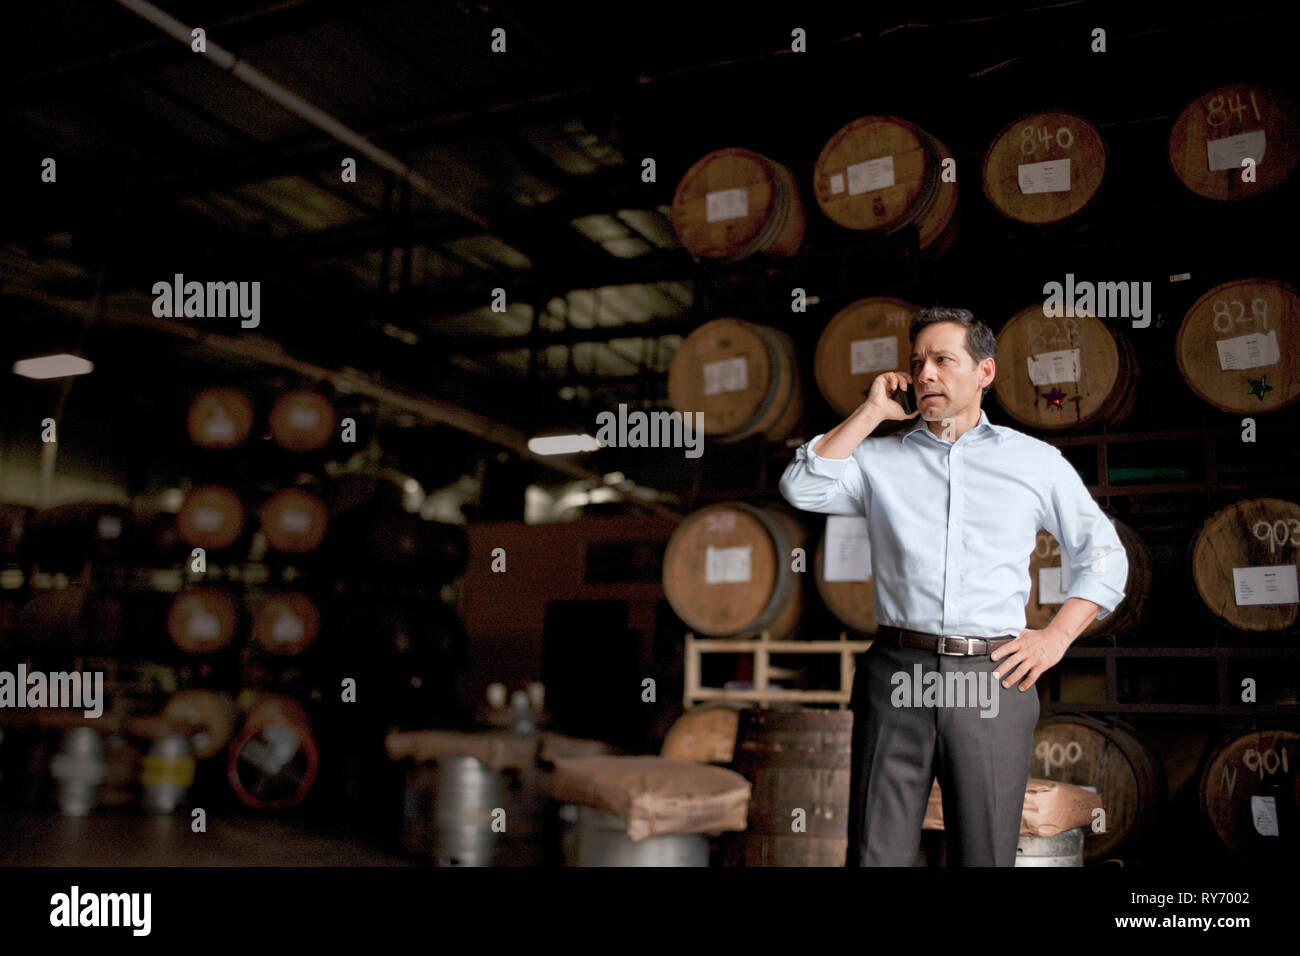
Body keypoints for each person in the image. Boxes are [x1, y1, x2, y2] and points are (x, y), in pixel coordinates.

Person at [779, 306, 1129, 866]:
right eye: (917, 363)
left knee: (983, 854)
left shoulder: (1035, 462)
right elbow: (802, 487)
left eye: (944, 360)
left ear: (984, 372)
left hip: (992, 679)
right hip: (896, 672)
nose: (926, 375)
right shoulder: (877, 458)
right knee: (876, 853)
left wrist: (1057, 637)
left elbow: (1105, 556)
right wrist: (870, 413)